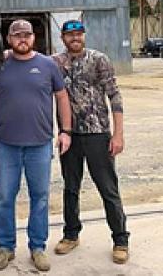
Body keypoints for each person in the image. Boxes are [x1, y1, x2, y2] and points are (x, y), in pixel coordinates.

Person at [0, 19, 72, 272]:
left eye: (27, 35)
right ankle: (6, 247)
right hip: (6, 146)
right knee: (5, 198)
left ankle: (37, 247)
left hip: (40, 145)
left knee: (40, 198)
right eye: (17, 35)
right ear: (9, 39)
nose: (22, 39)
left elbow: (62, 97)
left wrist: (66, 131)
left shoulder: (48, 65)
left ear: (34, 37)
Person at [51, 19, 131, 264]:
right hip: (69, 136)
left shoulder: (99, 60)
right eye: (69, 35)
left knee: (108, 188)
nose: (75, 38)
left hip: (98, 134)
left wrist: (118, 134)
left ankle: (120, 240)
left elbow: (114, 96)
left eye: (78, 34)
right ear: (63, 38)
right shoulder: (55, 63)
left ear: (84, 36)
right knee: (71, 187)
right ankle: (71, 235)